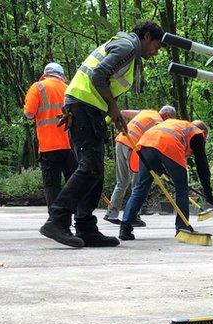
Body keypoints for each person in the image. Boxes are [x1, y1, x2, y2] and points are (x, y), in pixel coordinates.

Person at [38, 21, 164, 248]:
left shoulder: (127, 49)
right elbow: (98, 76)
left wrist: (111, 115)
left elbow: (102, 83)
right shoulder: (127, 47)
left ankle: (86, 227)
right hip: (83, 106)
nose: (156, 52)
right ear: (146, 36)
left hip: (88, 109)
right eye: (156, 46)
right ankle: (57, 219)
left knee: (95, 172)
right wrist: (113, 108)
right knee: (90, 167)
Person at [118, 119, 213, 242]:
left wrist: (160, 167)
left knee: (140, 187)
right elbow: (202, 165)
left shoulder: (177, 125)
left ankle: (125, 228)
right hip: (168, 145)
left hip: (146, 143)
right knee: (182, 189)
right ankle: (182, 227)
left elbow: (158, 145)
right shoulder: (197, 134)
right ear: (204, 133)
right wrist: (208, 192)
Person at [104, 104, 177, 225]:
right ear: (168, 116)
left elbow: (122, 112)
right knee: (137, 185)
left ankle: (111, 213)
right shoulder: (159, 122)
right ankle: (133, 216)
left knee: (121, 182)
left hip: (121, 141)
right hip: (133, 147)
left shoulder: (147, 112)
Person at [24, 63, 76, 208]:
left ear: (45, 74)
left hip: (49, 145)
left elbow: (29, 114)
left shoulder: (38, 87)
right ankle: (77, 217)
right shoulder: (69, 89)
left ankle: (56, 220)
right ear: (61, 75)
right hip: (71, 144)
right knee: (74, 182)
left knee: (52, 186)